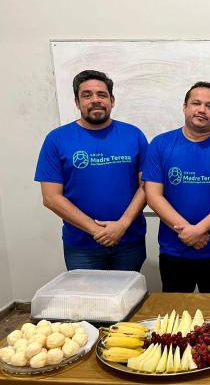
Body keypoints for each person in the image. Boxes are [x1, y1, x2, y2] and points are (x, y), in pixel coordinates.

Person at [35, 70, 148, 271]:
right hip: (81, 246)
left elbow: (147, 186)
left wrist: (122, 225)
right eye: (87, 95)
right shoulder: (57, 139)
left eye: (101, 95)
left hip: (129, 240)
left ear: (112, 100)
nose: (95, 100)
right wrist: (97, 230)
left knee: (128, 299)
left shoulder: (134, 135)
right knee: (88, 301)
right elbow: (51, 197)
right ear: (77, 102)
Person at [142, 81, 210, 293]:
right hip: (174, 249)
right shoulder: (160, 144)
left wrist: (198, 231)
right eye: (196, 103)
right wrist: (188, 233)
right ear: (185, 107)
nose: (202, 110)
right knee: (176, 318)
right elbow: (153, 196)